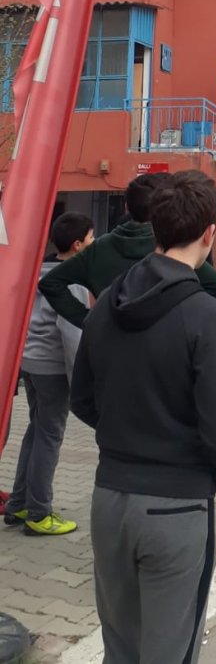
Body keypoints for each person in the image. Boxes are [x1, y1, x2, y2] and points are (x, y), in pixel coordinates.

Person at [70, 170, 216, 664]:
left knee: (119, 649)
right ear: (210, 231)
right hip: (178, 504)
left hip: (109, 500)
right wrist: (205, 467)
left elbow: (82, 397)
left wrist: (126, 434)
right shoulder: (206, 314)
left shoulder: (107, 304)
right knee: (169, 652)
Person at [39, 172, 216, 325]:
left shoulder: (99, 248)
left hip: (112, 345)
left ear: (127, 207)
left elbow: (50, 282)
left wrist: (87, 319)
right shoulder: (170, 249)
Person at [4, 212, 94, 536]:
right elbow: (72, 335)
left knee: (36, 431)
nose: (93, 244)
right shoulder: (73, 279)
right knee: (50, 437)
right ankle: (40, 512)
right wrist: (80, 380)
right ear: (78, 244)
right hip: (54, 368)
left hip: (29, 362)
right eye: (92, 238)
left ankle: (19, 503)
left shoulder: (38, 270)